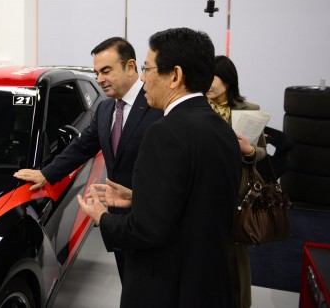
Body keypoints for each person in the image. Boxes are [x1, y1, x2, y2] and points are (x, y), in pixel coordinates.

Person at [78, 27, 242, 308]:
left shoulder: (164, 132)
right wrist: (139, 199)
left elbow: (147, 231)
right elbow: (196, 203)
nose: (143, 78)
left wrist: (103, 218)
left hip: (168, 287)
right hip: (209, 282)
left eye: (147, 68)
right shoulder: (221, 128)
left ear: (175, 76)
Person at [13, 36, 163, 281]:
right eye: (96, 73)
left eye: (106, 71)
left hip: (150, 218)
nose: (99, 79)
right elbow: (82, 147)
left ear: (131, 66)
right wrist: (47, 173)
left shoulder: (157, 106)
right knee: (129, 282)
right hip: (116, 218)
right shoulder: (105, 109)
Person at [207, 54, 267, 308]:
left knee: (234, 253)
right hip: (203, 188)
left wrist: (249, 151)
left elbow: (262, 151)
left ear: (228, 80)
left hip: (237, 193)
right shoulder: (197, 107)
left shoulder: (249, 110)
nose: (207, 83)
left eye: (213, 77)